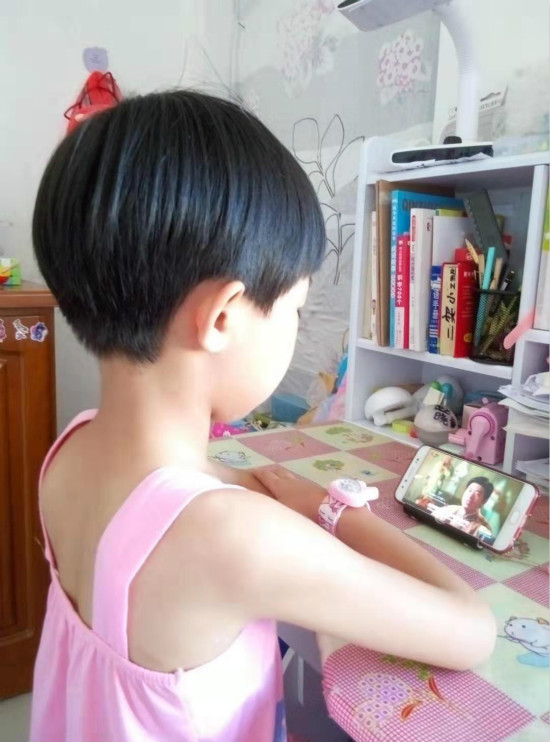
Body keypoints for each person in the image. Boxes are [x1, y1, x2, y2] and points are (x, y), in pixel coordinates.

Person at [30, 90, 496, 742]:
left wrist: (258, 489)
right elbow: (471, 632)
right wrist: (338, 513)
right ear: (223, 317)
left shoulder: (72, 449)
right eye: (296, 309)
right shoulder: (234, 537)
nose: (296, 327)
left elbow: (193, 490)